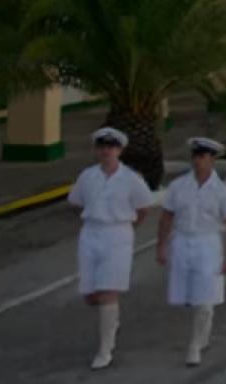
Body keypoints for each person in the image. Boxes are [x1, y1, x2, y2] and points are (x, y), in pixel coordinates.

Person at [67, 127, 154, 370]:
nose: (106, 151)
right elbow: (76, 202)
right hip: (91, 233)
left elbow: (144, 207)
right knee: (91, 295)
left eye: (111, 147)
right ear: (96, 149)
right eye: (102, 146)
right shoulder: (87, 176)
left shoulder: (131, 179)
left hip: (118, 234)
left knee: (108, 291)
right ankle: (111, 320)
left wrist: (127, 229)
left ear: (120, 150)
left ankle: (105, 349)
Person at [157, 137, 226, 367]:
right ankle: (203, 333)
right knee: (190, 297)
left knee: (204, 296)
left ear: (212, 159)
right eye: (195, 156)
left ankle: (194, 345)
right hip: (182, 242)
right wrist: (161, 246)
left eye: (203, 157)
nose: (197, 161)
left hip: (208, 244)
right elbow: (167, 217)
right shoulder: (178, 186)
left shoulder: (223, 190)